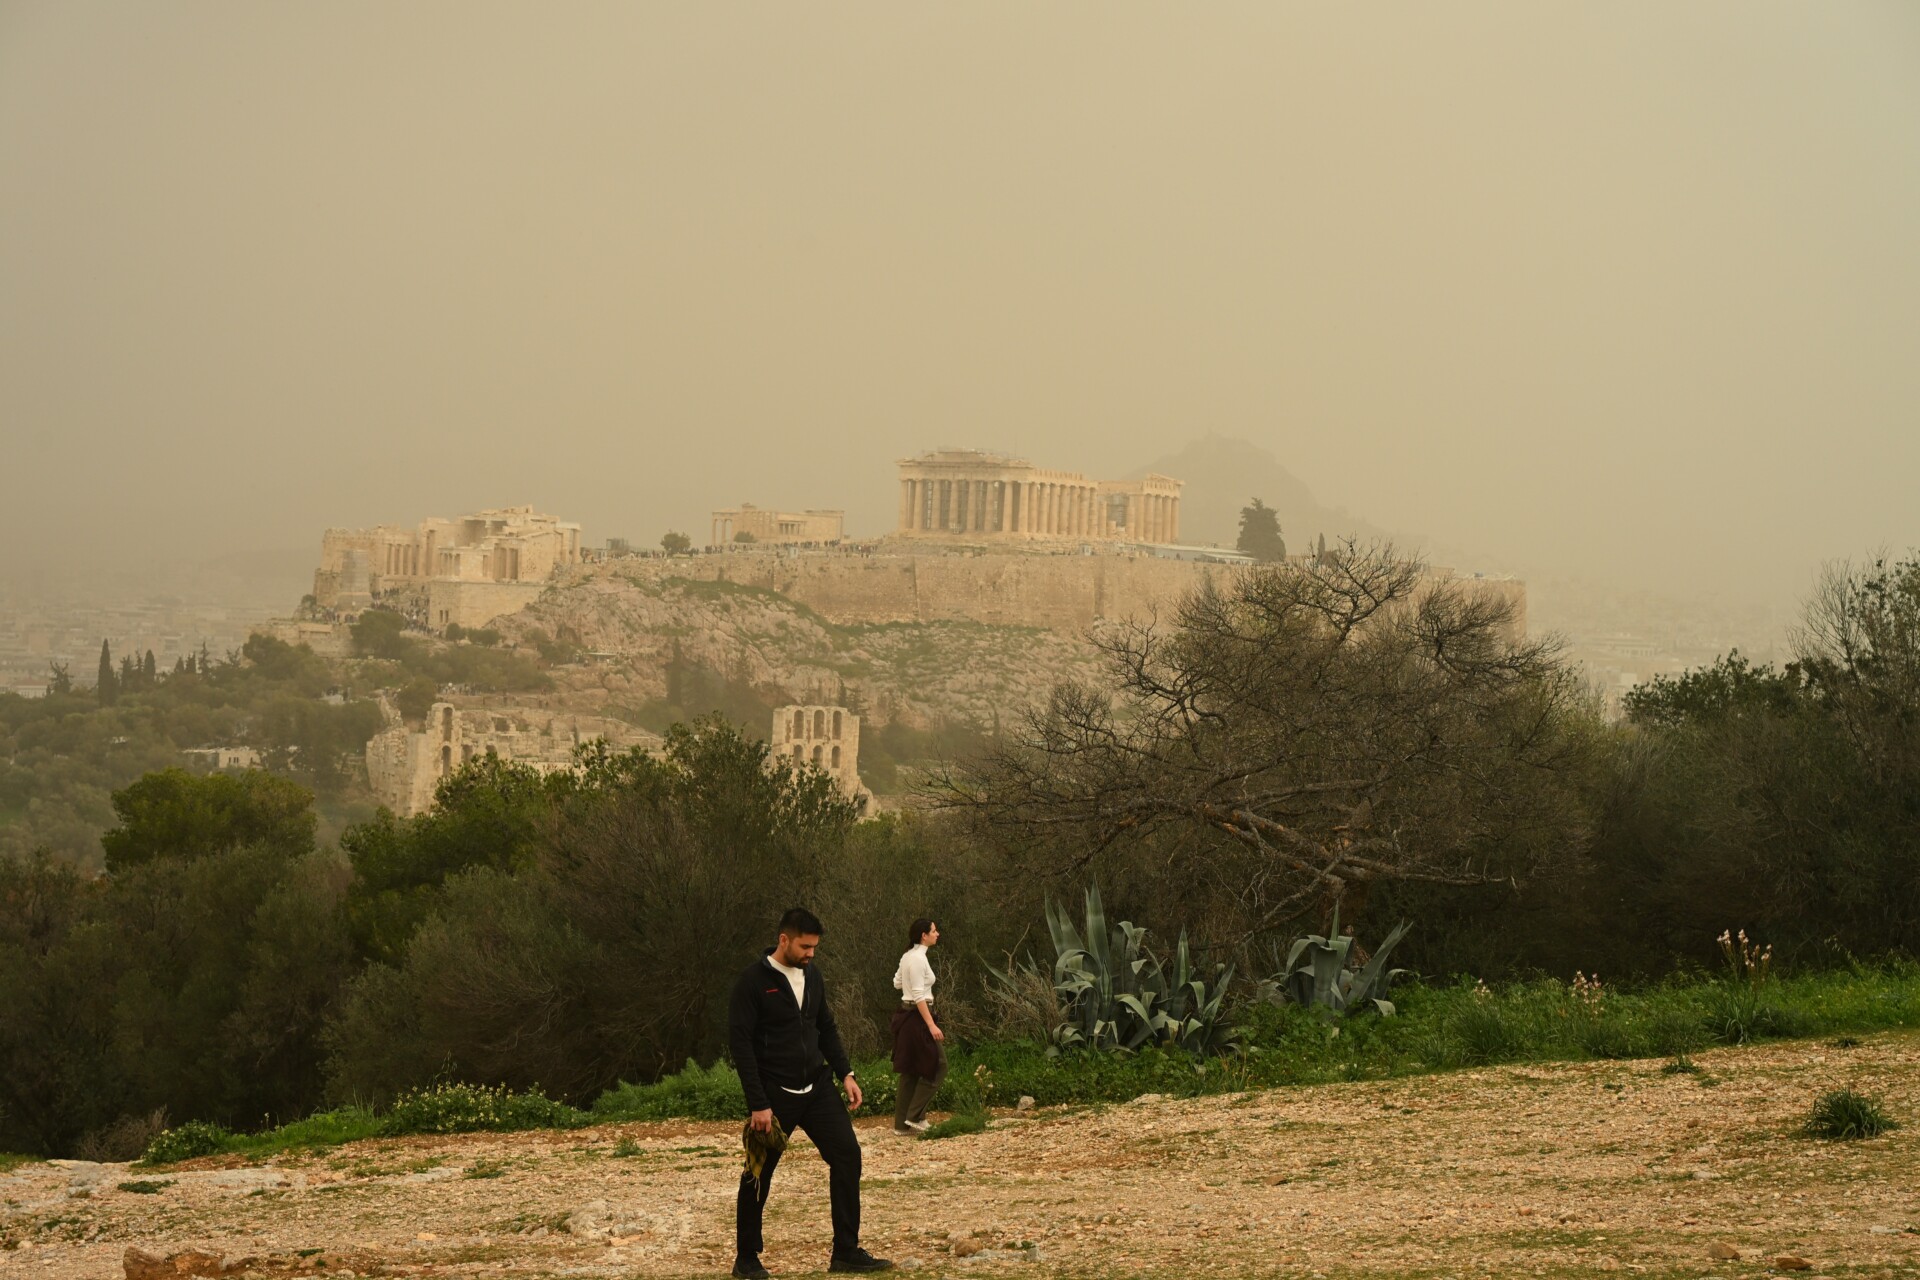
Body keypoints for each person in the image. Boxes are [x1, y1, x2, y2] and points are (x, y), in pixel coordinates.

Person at [729, 907, 893, 1278]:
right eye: (805, 946)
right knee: (758, 1172)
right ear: (784, 939)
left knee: (848, 1156)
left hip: (817, 1087)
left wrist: (845, 1073)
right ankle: (747, 1258)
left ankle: (846, 1252)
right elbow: (740, 1046)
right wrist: (758, 1103)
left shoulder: (813, 975)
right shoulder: (753, 982)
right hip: (774, 1094)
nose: (810, 954)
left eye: (815, 947)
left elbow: (826, 1026)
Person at [890, 918, 947, 1134]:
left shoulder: (910, 957)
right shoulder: (916, 959)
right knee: (939, 1065)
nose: (937, 933)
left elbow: (897, 982)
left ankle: (902, 1125)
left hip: (911, 1014)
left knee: (911, 1070)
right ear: (924, 935)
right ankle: (915, 1116)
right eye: (934, 930)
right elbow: (918, 995)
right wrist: (931, 1024)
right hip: (917, 1016)